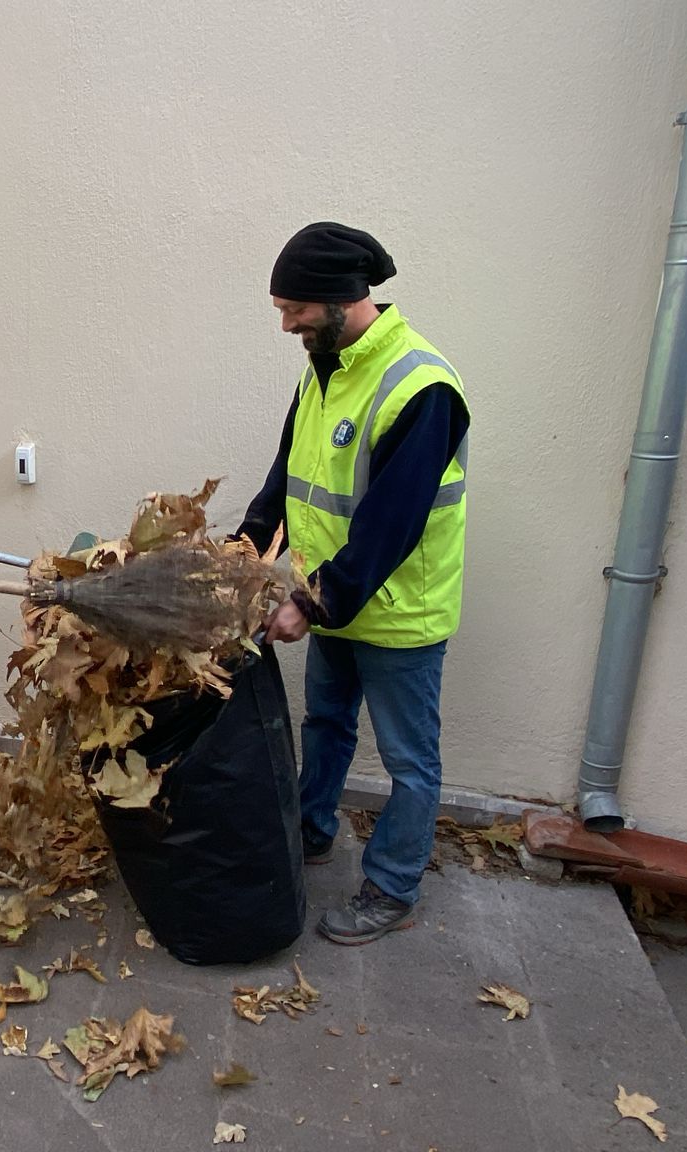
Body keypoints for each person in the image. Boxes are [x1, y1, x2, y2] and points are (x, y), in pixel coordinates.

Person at [236, 221, 471, 947]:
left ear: (342, 298)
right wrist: (244, 551)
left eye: (295, 309)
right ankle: (311, 830)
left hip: (397, 614)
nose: (286, 325)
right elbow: (288, 476)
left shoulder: (422, 387)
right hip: (335, 602)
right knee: (326, 724)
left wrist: (310, 603)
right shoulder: (324, 367)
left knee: (408, 762)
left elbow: (390, 523)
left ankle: (393, 887)